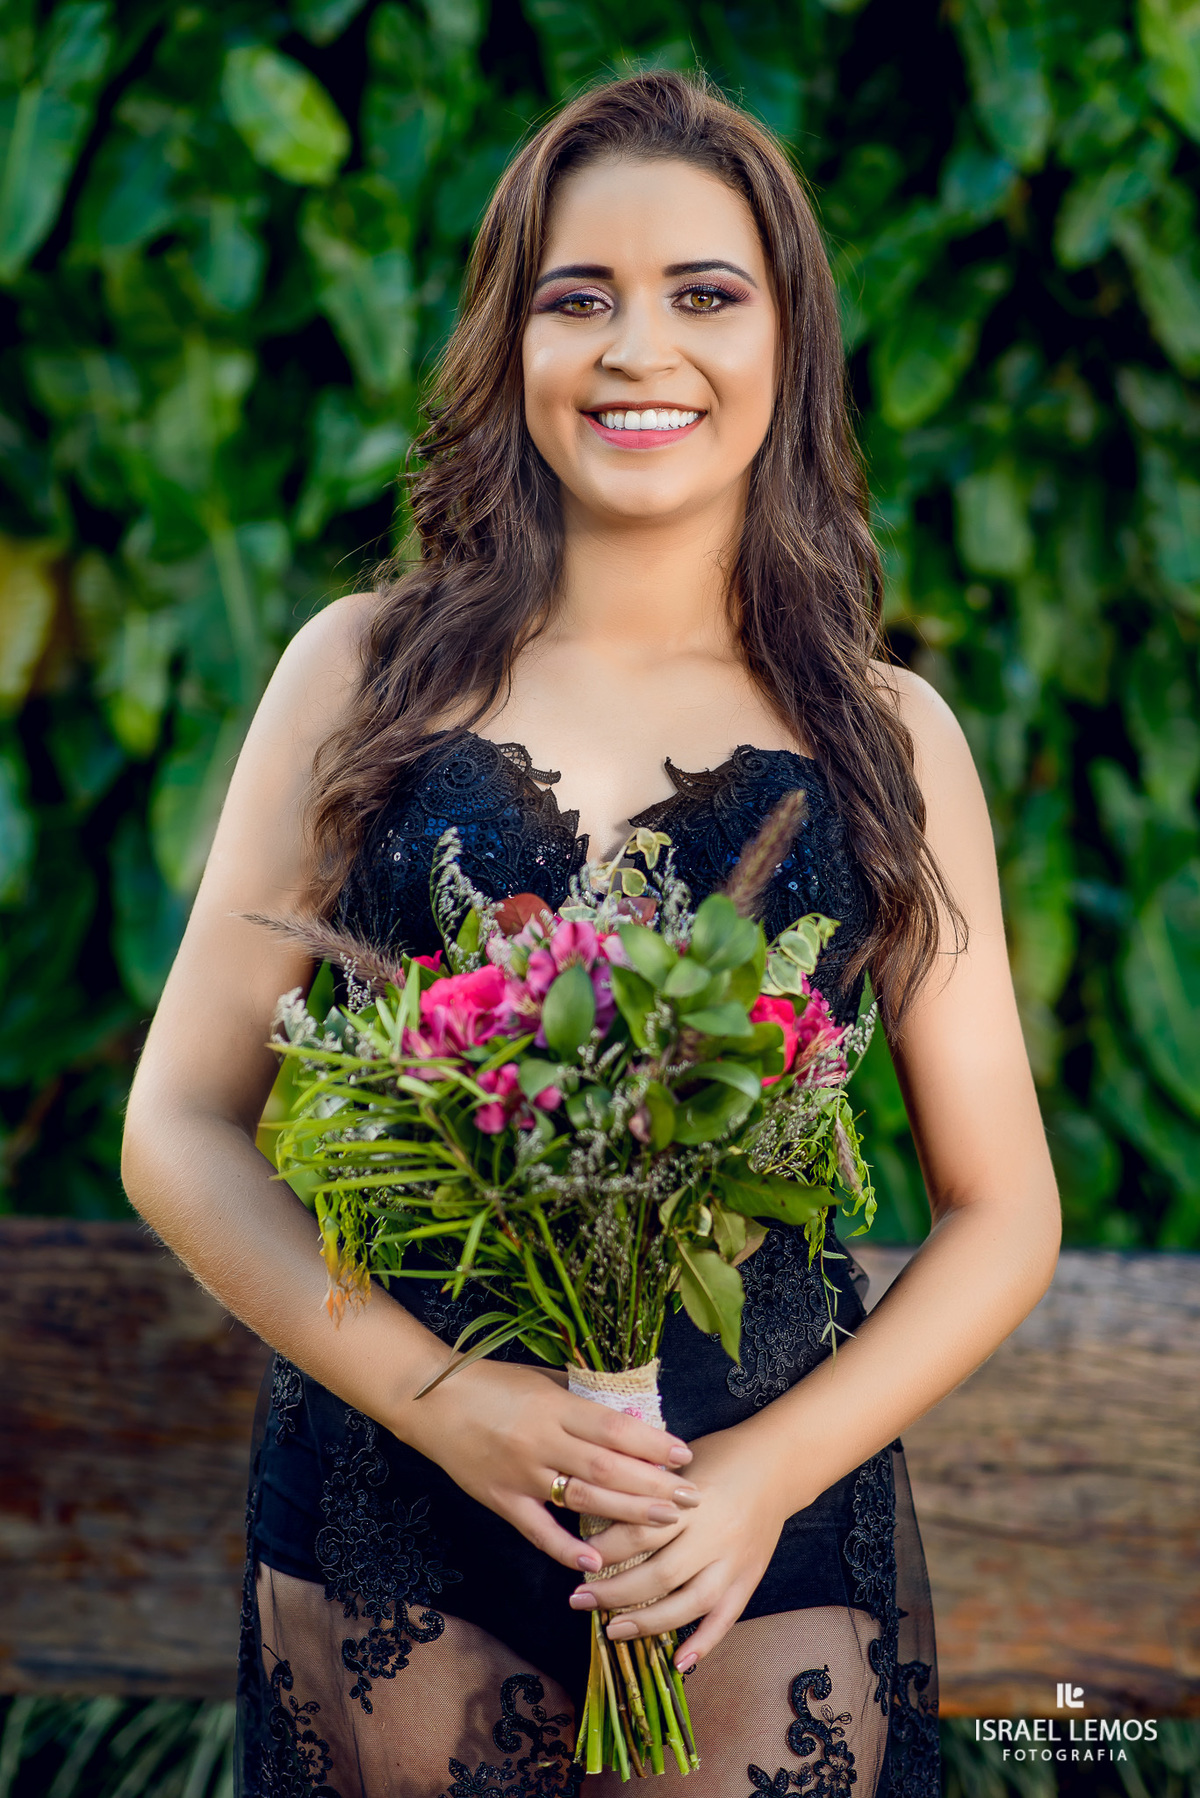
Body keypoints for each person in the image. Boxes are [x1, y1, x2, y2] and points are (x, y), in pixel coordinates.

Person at [121, 71, 1061, 1798]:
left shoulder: (884, 731)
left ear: (789, 346)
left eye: (705, 295)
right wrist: (440, 1398)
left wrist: (764, 1477)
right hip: (397, 1498)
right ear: (512, 345)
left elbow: (1005, 1210)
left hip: (748, 1537)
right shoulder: (359, 674)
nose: (641, 349)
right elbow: (177, 1129)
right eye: (580, 299)